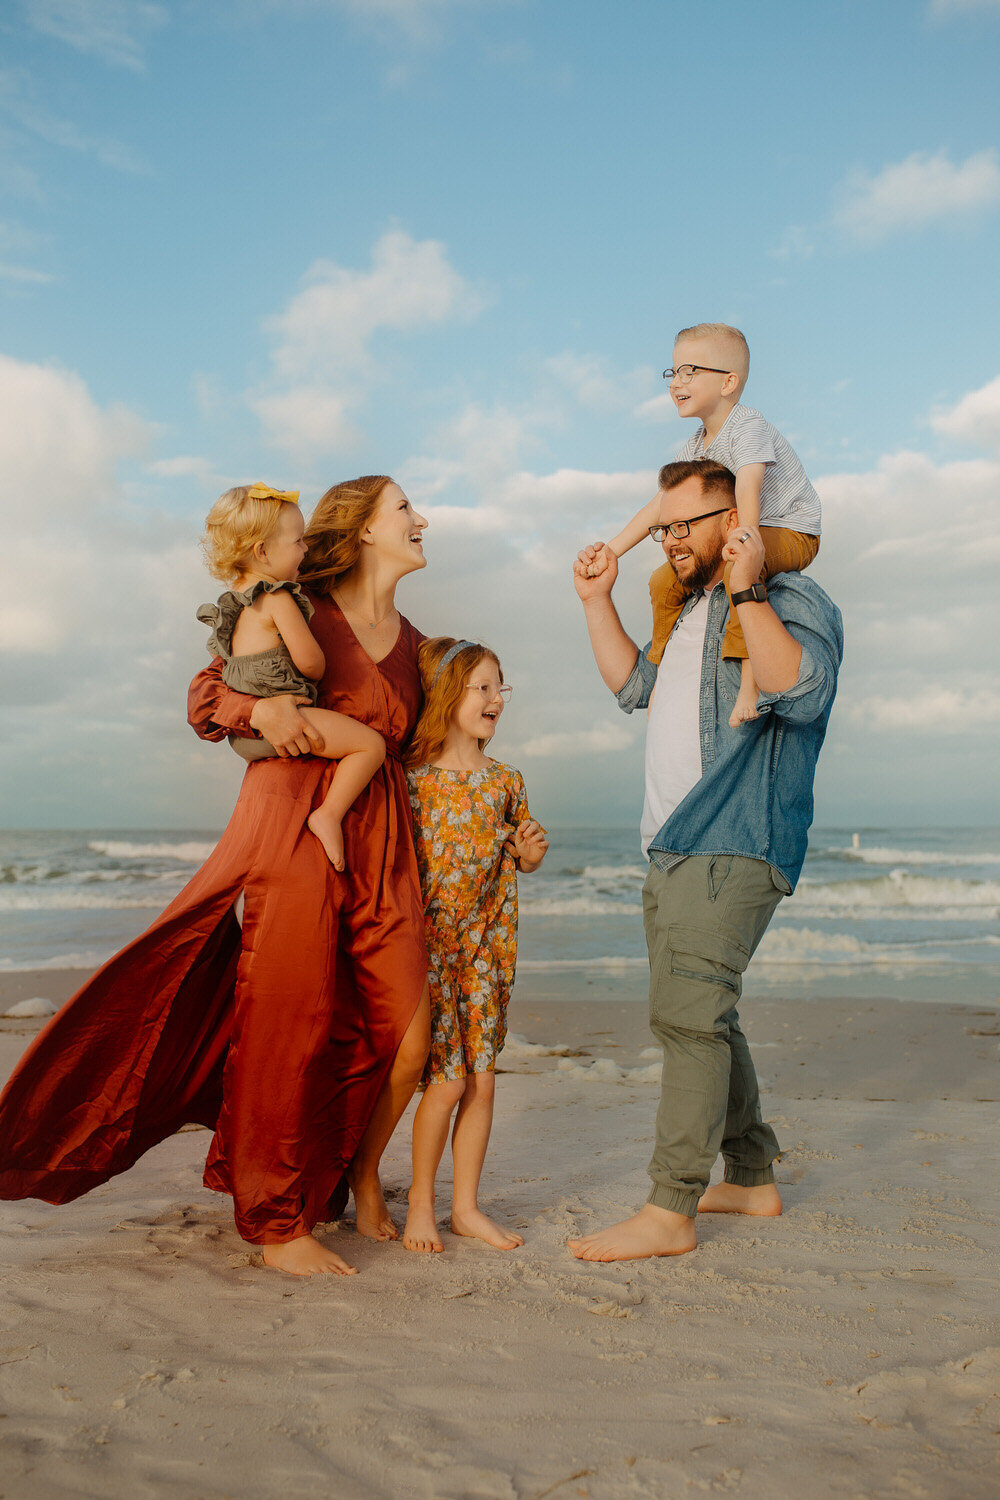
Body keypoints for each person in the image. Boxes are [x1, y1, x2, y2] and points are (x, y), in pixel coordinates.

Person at [0, 476, 432, 1278]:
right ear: (365, 528)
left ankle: (345, 1177)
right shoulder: (300, 602)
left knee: (404, 1037)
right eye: (407, 508)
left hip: (383, 840)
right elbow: (209, 693)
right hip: (292, 821)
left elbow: (428, 751)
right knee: (289, 1019)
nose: (423, 520)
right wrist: (254, 713)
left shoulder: (413, 642)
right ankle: (274, 1220)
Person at [569, 457, 842, 1263]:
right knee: (705, 1013)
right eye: (662, 527)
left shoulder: (791, 599)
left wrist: (752, 586)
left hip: (735, 835)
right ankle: (752, 1175)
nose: (670, 540)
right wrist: (595, 601)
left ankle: (669, 1208)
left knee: (687, 1019)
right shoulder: (690, 611)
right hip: (675, 842)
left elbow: (805, 690)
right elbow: (635, 689)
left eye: (685, 525)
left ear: (737, 517)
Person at [593, 323, 822, 728]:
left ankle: (750, 685)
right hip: (747, 526)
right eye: (673, 372)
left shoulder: (748, 426)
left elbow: (749, 486)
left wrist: (745, 543)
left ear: (728, 382)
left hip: (789, 529)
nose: (676, 382)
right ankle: (661, 666)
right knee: (663, 582)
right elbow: (660, 505)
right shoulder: (695, 446)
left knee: (738, 572)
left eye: (690, 371)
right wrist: (612, 549)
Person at [402, 637, 548, 1255]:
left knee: (483, 1082)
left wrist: (533, 855)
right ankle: (418, 1205)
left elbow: (522, 855)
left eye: (499, 687)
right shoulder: (413, 784)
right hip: (434, 952)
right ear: (447, 694)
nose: (495, 699)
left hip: (488, 952)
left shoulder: (506, 782)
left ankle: (465, 1207)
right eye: (482, 687)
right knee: (446, 1084)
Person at [198, 481, 385, 871]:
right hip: (282, 722)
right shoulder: (279, 598)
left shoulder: (232, 606)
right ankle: (329, 814)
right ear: (262, 551)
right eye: (298, 541)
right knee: (370, 747)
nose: (305, 548)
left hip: (244, 739)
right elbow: (311, 664)